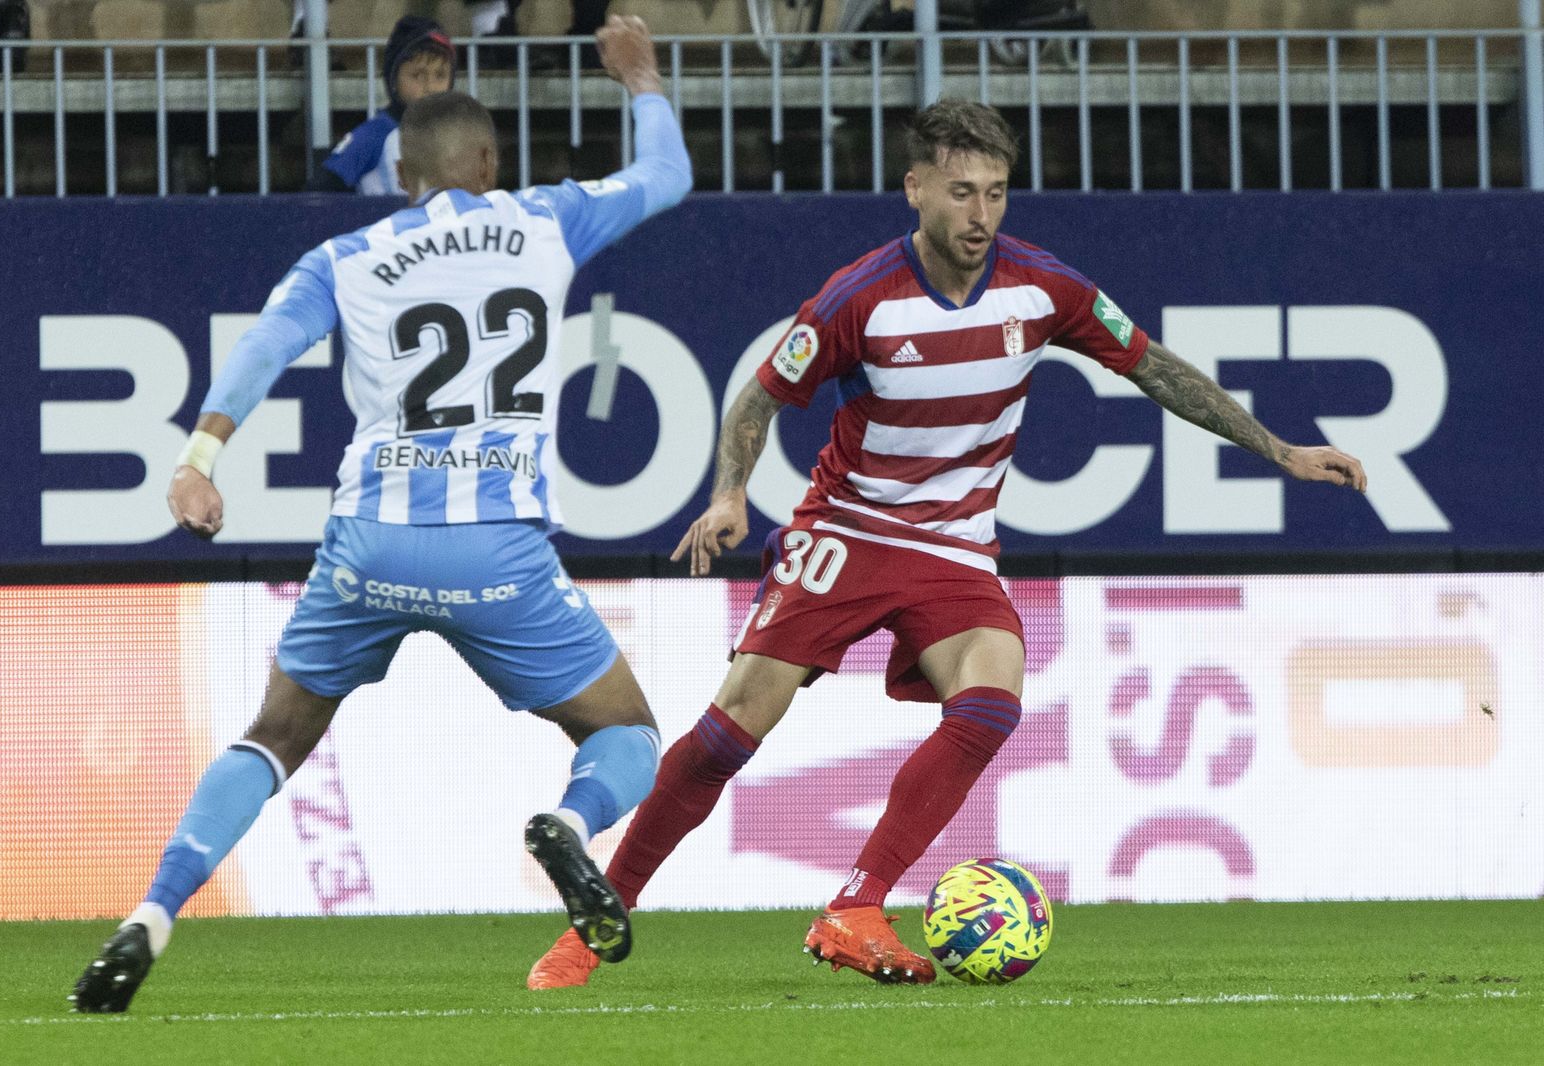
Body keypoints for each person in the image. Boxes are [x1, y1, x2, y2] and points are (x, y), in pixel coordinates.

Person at [527, 99, 1368, 989]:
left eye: (997, 194)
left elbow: (1154, 367)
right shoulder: (861, 297)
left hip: (957, 548)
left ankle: (855, 905)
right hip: (847, 529)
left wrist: (1277, 447)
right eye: (962, 193)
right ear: (916, 188)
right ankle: (593, 923)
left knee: (994, 692)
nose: (981, 216)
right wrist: (732, 493)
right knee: (736, 729)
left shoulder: (1043, 288)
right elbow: (761, 397)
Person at [68, 14, 692, 1014]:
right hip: (499, 554)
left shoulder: (346, 256)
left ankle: (152, 912)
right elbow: (665, 177)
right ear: (488, 160)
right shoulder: (546, 218)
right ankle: (569, 831)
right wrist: (641, 78)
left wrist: (198, 460)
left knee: (273, 736)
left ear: (405, 174)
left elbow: (265, 346)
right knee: (625, 733)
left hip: (369, 545)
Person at [304, 15, 455, 195]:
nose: (431, 87)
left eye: (440, 76)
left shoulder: (456, 139)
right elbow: (317, 195)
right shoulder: (374, 135)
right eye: (418, 75)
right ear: (393, 80)